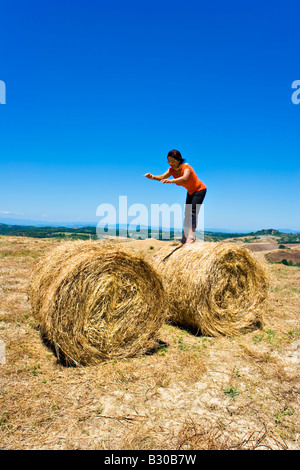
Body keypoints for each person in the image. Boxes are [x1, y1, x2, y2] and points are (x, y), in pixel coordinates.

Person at [144, 149, 207, 244]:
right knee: (187, 213)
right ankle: (185, 237)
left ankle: (190, 237)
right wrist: (152, 177)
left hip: (200, 190)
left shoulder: (186, 168)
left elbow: (184, 178)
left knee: (192, 212)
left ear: (179, 160)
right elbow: (162, 177)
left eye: (172, 161)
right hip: (190, 191)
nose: (170, 163)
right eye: (169, 161)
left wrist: (171, 181)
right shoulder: (171, 170)